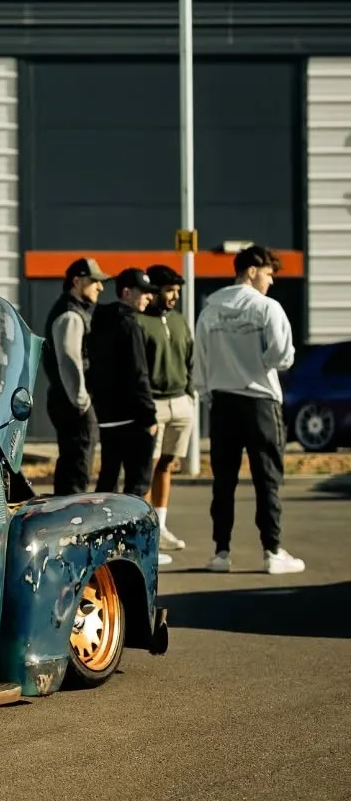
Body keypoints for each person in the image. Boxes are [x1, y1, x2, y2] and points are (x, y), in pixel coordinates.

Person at [196, 246, 302, 574]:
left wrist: (206, 392)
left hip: (223, 402)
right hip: (260, 402)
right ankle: (272, 552)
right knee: (266, 478)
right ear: (253, 270)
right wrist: (259, 363)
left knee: (223, 480)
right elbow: (283, 356)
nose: (271, 281)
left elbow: (199, 358)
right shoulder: (267, 307)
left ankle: (221, 552)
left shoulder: (210, 309)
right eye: (269, 273)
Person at [86, 269, 165, 556]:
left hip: (108, 416)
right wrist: (149, 416)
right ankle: (133, 547)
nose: (148, 297)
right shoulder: (130, 325)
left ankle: (101, 541)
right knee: (137, 486)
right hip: (133, 418)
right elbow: (138, 374)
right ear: (126, 292)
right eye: (143, 292)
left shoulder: (98, 322)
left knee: (108, 481)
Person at [138, 263, 196, 550]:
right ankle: (147, 531)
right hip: (154, 405)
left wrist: (189, 392)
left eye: (176, 291)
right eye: (169, 290)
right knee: (147, 467)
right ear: (155, 290)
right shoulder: (139, 321)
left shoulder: (179, 320)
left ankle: (161, 526)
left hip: (181, 402)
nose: (174, 296)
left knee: (167, 465)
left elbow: (189, 357)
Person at [43, 257, 106, 495]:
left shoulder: (73, 311)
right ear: (77, 281)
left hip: (67, 399)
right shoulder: (71, 315)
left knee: (72, 462)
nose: (100, 287)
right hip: (73, 401)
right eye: (95, 281)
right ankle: (71, 520)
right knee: (78, 465)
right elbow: (69, 361)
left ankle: (66, 515)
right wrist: (82, 400)